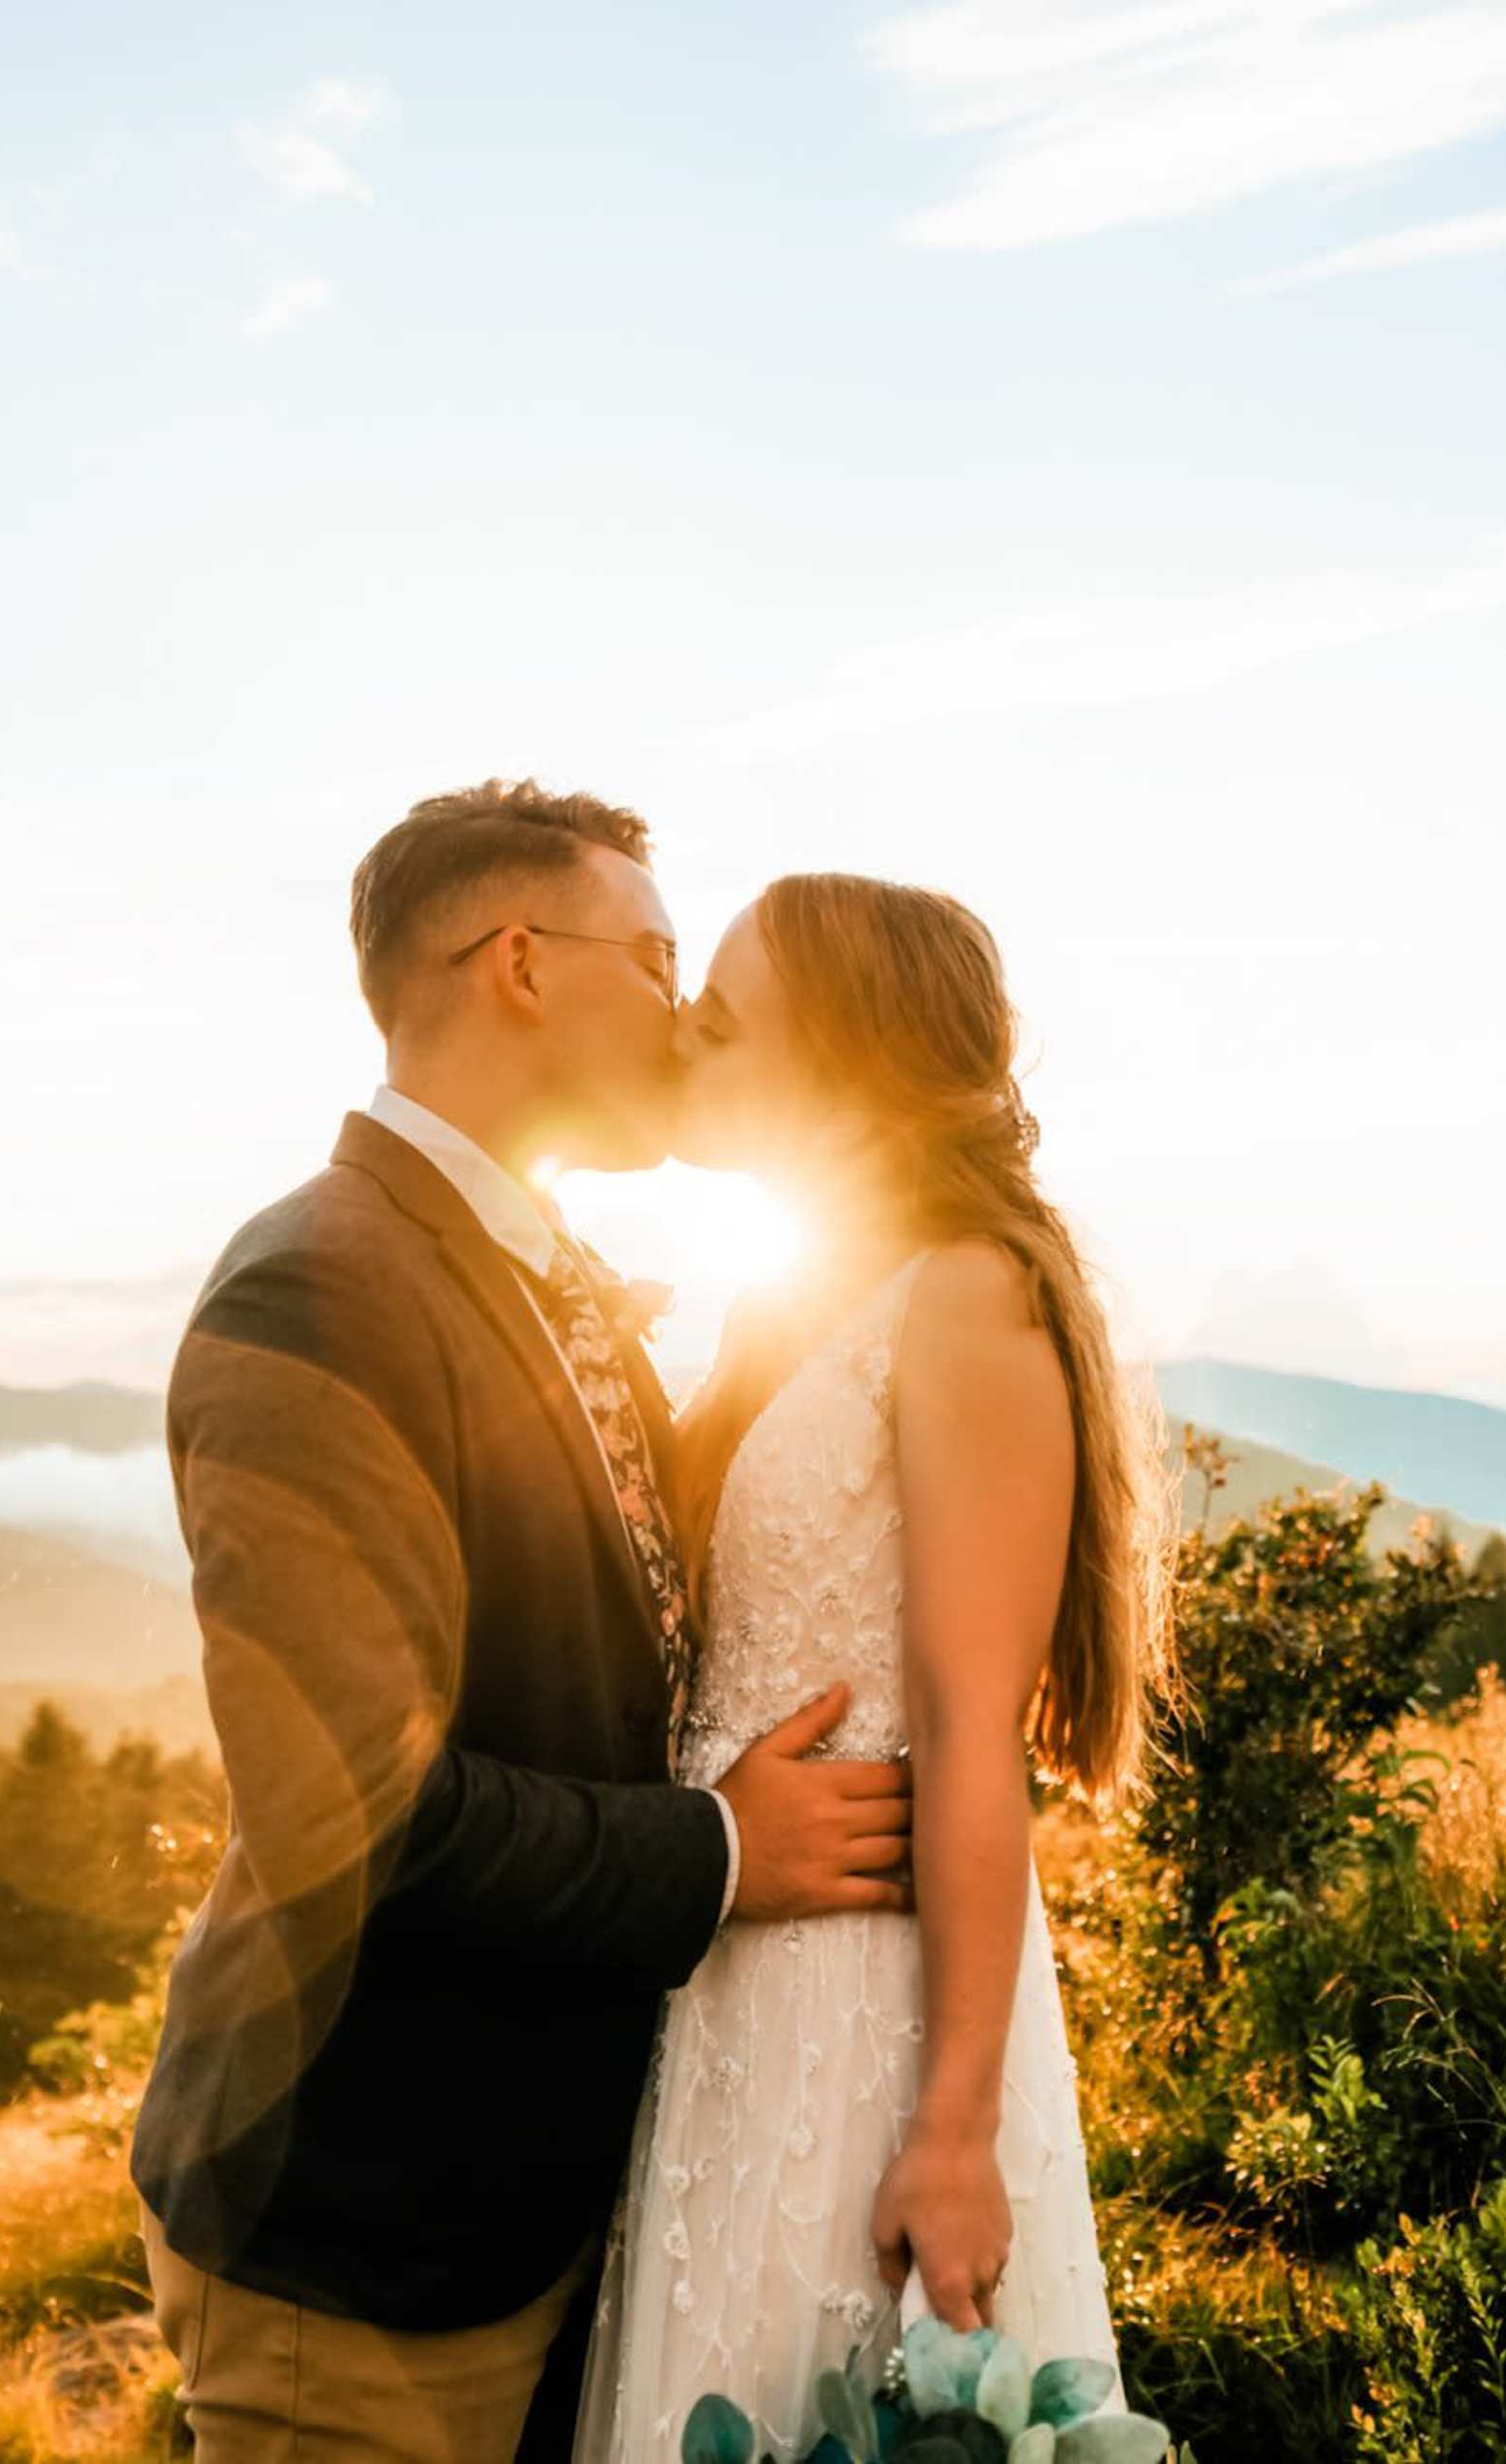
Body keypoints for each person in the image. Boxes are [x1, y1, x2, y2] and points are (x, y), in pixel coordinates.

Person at [131, 782, 919, 2464]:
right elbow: (360, 1815)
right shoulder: (316, 1285)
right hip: (364, 2235)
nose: (684, 1006)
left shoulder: (540, 1268)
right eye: (652, 956)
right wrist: (722, 1853)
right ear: (518, 964)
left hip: (561, 2198)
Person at [574, 873, 1169, 2462]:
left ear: (833, 1057)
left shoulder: (969, 1294)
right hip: (733, 1979)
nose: (681, 1044)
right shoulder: (785, 1295)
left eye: (718, 1023)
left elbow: (977, 1730)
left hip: (870, 2008)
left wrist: (957, 2125)